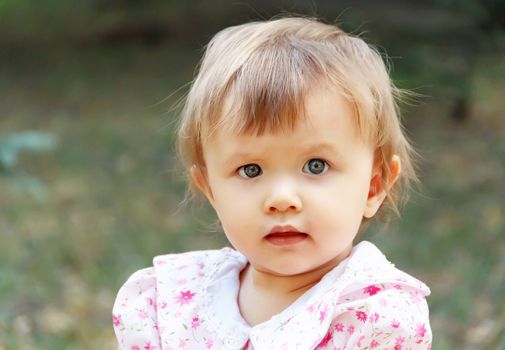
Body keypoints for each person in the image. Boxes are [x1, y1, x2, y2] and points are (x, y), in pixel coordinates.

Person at [112, 16, 432, 349]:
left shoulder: (375, 319)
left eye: (316, 165)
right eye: (250, 170)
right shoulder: (174, 303)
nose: (281, 198)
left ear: (373, 187)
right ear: (210, 189)